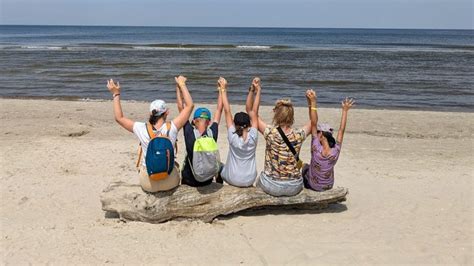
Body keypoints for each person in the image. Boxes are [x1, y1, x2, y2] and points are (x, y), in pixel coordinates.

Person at [106, 76, 194, 192]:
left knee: (143, 166)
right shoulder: (172, 127)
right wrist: (182, 84)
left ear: (150, 113)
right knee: (176, 165)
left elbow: (119, 118)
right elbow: (189, 105)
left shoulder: (141, 128)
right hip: (170, 182)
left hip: (148, 183)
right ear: (166, 113)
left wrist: (116, 94)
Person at [255, 89, 312, 197]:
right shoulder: (298, 134)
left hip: (272, 185)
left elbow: (253, 115)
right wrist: (311, 102)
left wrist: (258, 91)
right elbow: (313, 122)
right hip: (294, 186)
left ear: (276, 115)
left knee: (259, 178)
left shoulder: (270, 133)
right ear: (291, 116)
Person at [302, 91, 355, 191]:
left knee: (304, 167)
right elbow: (341, 130)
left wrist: (313, 102)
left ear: (321, 134)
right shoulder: (335, 151)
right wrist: (345, 111)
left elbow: (313, 123)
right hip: (328, 186)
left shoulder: (316, 147)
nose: (316, 133)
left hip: (314, 186)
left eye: (318, 132)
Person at [177, 80, 223, 187]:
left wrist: (179, 87)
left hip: (190, 181)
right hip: (207, 180)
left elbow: (181, 107)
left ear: (193, 121)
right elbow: (219, 110)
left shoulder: (190, 133)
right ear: (209, 122)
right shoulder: (212, 133)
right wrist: (221, 89)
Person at [219, 77, 261, 187]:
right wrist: (257, 90)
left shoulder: (233, 137)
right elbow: (254, 111)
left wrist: (223, 89)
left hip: (233, 178)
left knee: (220, 167)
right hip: (249, 179)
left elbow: (227, 111)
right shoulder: (253, 136)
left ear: (234, 124)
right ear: (250, 124)